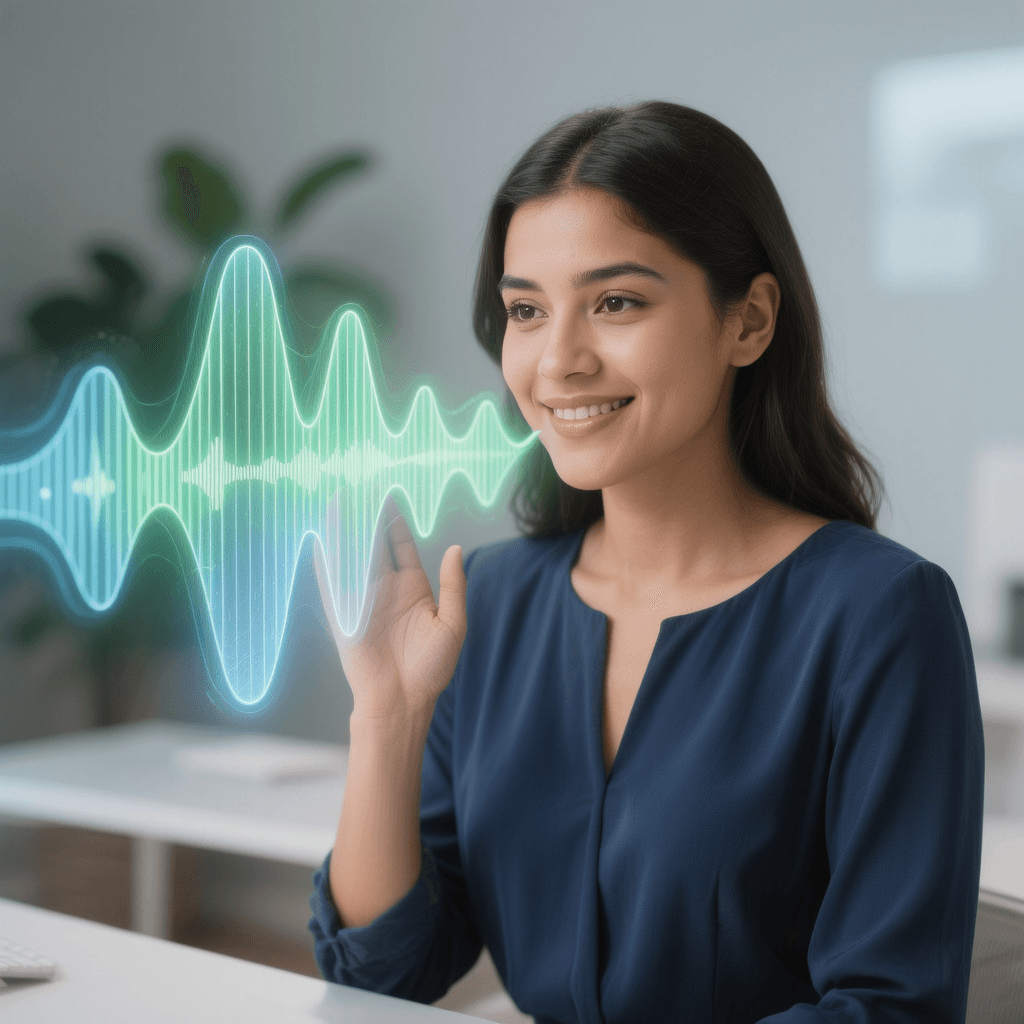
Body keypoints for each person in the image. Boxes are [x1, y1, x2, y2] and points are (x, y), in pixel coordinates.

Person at [308, 101, 984, 1023]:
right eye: (525, 311)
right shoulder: (490, 606)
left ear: (747, 322)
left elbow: (890, 1005)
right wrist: (387, 717)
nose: (559, 362)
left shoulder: (880, 615)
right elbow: (386, 977)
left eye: (616, 302)